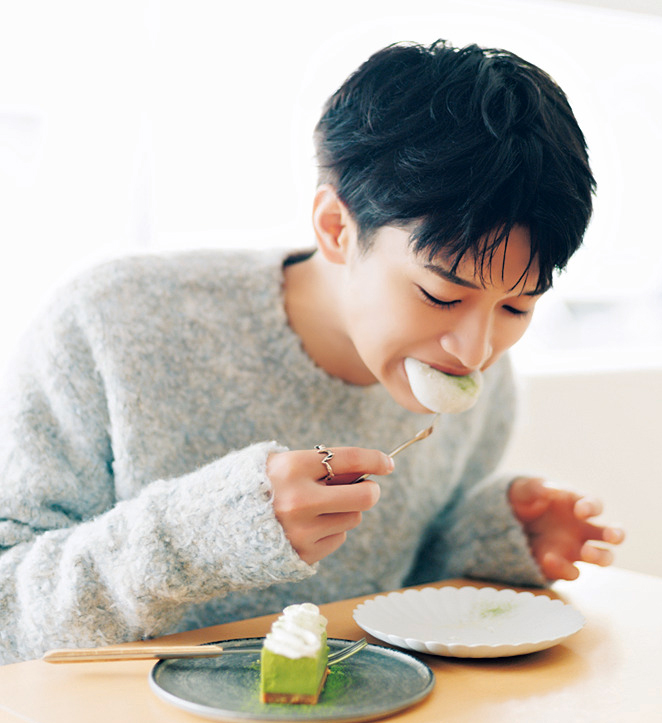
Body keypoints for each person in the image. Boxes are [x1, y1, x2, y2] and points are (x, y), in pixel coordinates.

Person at [0, 39, 624, 664]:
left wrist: (490, 537)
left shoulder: (489, 381)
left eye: (517, 308)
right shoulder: (111, 319)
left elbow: (387, 584)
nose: (475, 350)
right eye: (440, 295)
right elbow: (8, 616)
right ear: (335, 228)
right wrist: (203, 536)